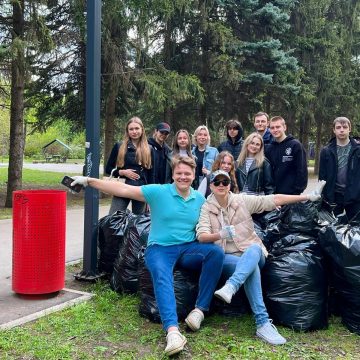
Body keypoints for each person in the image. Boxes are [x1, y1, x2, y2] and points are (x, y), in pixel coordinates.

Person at [71, 156, 225, 356]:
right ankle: (172, 331)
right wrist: (89, 181)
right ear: (173, 174)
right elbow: (124, 190)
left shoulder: (199, 199)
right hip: (159, 248)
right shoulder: (159, 192)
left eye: (187, 174)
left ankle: (199, 311)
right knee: (162, 275)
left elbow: (221, 210)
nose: (183, 177)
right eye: (179, 173)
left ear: (194, 175)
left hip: (188, 248)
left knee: (215, 254)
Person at [196, 170, 325, 345]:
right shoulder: (206, 207)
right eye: (216, 182)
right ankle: (262, 323)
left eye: (224, 182)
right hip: (227, 258)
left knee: (255, 249)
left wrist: (307, 197)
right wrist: (219, 234)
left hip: (251, 252)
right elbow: (202, 236)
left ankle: (232, 285)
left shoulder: (241, 200)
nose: (221, 185)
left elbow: (273, 200)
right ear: (210, 185)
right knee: (251, 267)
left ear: (230, 185)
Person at [105, 117, 153, 214]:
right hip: (122, 187)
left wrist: (150, 197)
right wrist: (122, 172)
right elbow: (108, 169)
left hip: (141, 190)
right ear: (127, 131)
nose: (134, 131)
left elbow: (151, 174)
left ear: (142, 129)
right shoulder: (119, 146)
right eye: (131, 129)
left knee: (139, 223)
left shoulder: (149, 148)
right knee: (113, 218)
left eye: (137, 128)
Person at [319, 117, 360, 222]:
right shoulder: (326, 151)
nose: (341, 130)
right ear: (334, 130)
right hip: (334, 196)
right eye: (338, 127)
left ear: (349, 129)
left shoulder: (357, 149)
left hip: (355, 196)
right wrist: (323, 197)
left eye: (345, 127)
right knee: (334, 228)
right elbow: (322, 176)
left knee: (356, 229)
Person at [265, 116, 308, 195]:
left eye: (278, 127)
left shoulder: (295, 145)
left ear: (284, 127)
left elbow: (302, 170)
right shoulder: (268, 148)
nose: (275, 130)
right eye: (272, 128)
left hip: (291, 194)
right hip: (273, 195)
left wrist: (297, 190)